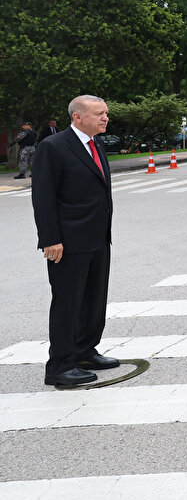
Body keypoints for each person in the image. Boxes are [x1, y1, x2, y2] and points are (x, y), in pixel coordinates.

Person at [31, 95, 118, 386]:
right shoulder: (53, 147)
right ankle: (60, 365)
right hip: (67, 242)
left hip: (97, 239)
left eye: (106, 113)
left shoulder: (96, 144)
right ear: (78, 117)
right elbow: (43, 197)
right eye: (99, 114)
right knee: (68, 303)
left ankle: (84, 350)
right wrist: (50, 239)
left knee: (93, 301)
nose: (105, 118)